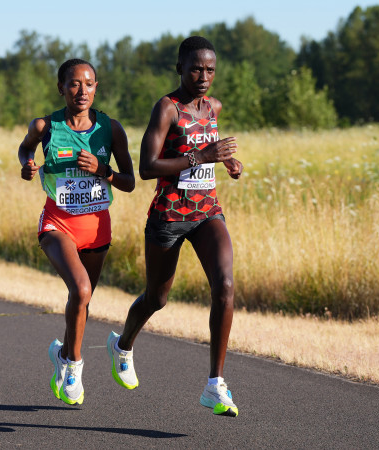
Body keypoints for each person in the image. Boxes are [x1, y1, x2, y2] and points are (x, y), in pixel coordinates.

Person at [106, 36, 243, 417]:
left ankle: (215, 385)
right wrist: (202, 156)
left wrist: (227, 163)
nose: (204, 76)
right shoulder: (167, 109)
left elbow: (207, 153)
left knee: (226, 284)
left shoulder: (212, 107)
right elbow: (148, 167)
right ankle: (123, 345)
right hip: (168, 215)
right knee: (157, 299)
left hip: (206, 212)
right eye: (196, 68)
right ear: (179, 68)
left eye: (210, 69)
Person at [19, 59, 135, 406]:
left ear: (96, 88)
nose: (81, 90)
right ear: (61, 88)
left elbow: (129, 181)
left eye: (88, 84)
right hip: (58, 224)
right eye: (73, 84)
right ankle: (73, 365)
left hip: (97, 229)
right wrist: (26, 163)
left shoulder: (110, 129)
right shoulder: (46, 126)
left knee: (81, 301)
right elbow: (26, 147)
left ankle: (62, 355)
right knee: (81, 289)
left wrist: (104, 170)